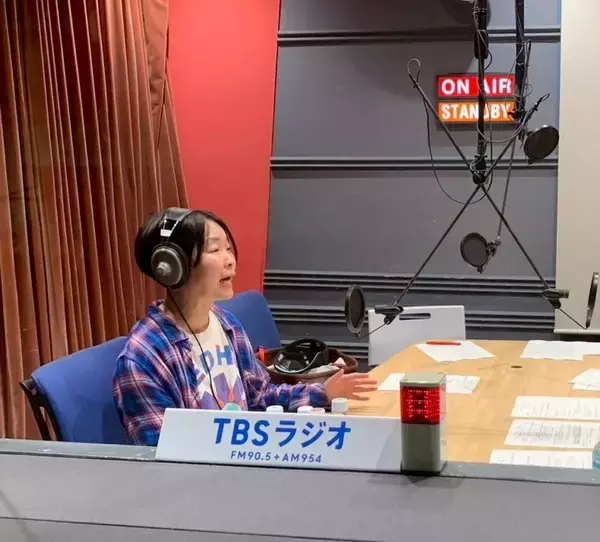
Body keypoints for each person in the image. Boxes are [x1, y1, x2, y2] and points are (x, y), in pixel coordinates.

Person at [113, 208, 378, 446]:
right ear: (173, 266)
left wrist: (322, 393)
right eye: (215, 250)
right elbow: (164, 452)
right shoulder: (143, 358)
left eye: (228, 249)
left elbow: (259, 397)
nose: (230, 260)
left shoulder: (226, 324)